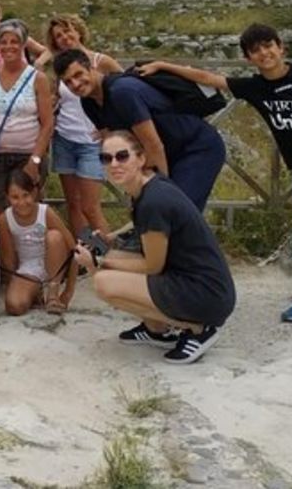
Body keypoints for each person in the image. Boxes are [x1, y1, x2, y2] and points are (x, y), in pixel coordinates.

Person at [136, 23, 292, 329]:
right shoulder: (255, 88)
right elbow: (208, 78)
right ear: (249, 58)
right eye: (256, 50)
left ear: (281, 47)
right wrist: (161, 65)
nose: (264, 53)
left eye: (268, 45)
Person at [73, 130, 236, 365]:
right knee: (114, 255)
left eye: (122, 156)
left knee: (103, 282)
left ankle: (198, 329)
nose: (114, 164)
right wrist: (110, 239)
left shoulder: (153, 201)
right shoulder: (150, 187)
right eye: (106, 159)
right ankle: (155, 329)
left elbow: (152, 266)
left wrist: (98, 262)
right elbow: (146, 227)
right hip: (203, 282)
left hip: (205, 294)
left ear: (141, 158)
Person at [55, 47, 226, 212]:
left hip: (196, 147)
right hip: (169, 152)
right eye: (68, 82)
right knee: (162, 216)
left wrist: (156, 193)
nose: (75, 84)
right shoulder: (88, 102)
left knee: (177, 213)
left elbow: (152, 145)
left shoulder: (122, 92)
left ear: (92, 67)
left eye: (78, 75)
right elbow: (121, 147)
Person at [40, 15, 119, 236]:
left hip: (92, 143)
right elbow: (59, 99)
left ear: (79, 31)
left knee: (90, 208)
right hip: (65, 140)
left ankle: (108, 258)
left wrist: (111, 127)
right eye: (58, 36)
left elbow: (124, 93)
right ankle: (86, 256)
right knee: (73, 206)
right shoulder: (59, 68)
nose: (65, 37)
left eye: (68, 31)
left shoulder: (101, 62)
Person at [0, 19, 54, 213]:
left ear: (23, 44)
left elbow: (48, 123)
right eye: (4, 41)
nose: (9, 46)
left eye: (14, 41)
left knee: (26, 209)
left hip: (27, 154)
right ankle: (0, 244)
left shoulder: (38, 78)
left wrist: (35, 159)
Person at [0, 170, 76, 315]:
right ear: (7, 197)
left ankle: (53, 292)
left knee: (55, 236)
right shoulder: (4, 219)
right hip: (28, 268)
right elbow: (8, 261)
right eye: (15, 197)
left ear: (34, 193)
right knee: (15, 306)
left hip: (54, 262)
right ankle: (35, 292)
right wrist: (17, 285)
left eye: (25, 195)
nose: (21, 202)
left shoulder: (45, 212)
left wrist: (69, 291)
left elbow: (74, 250)